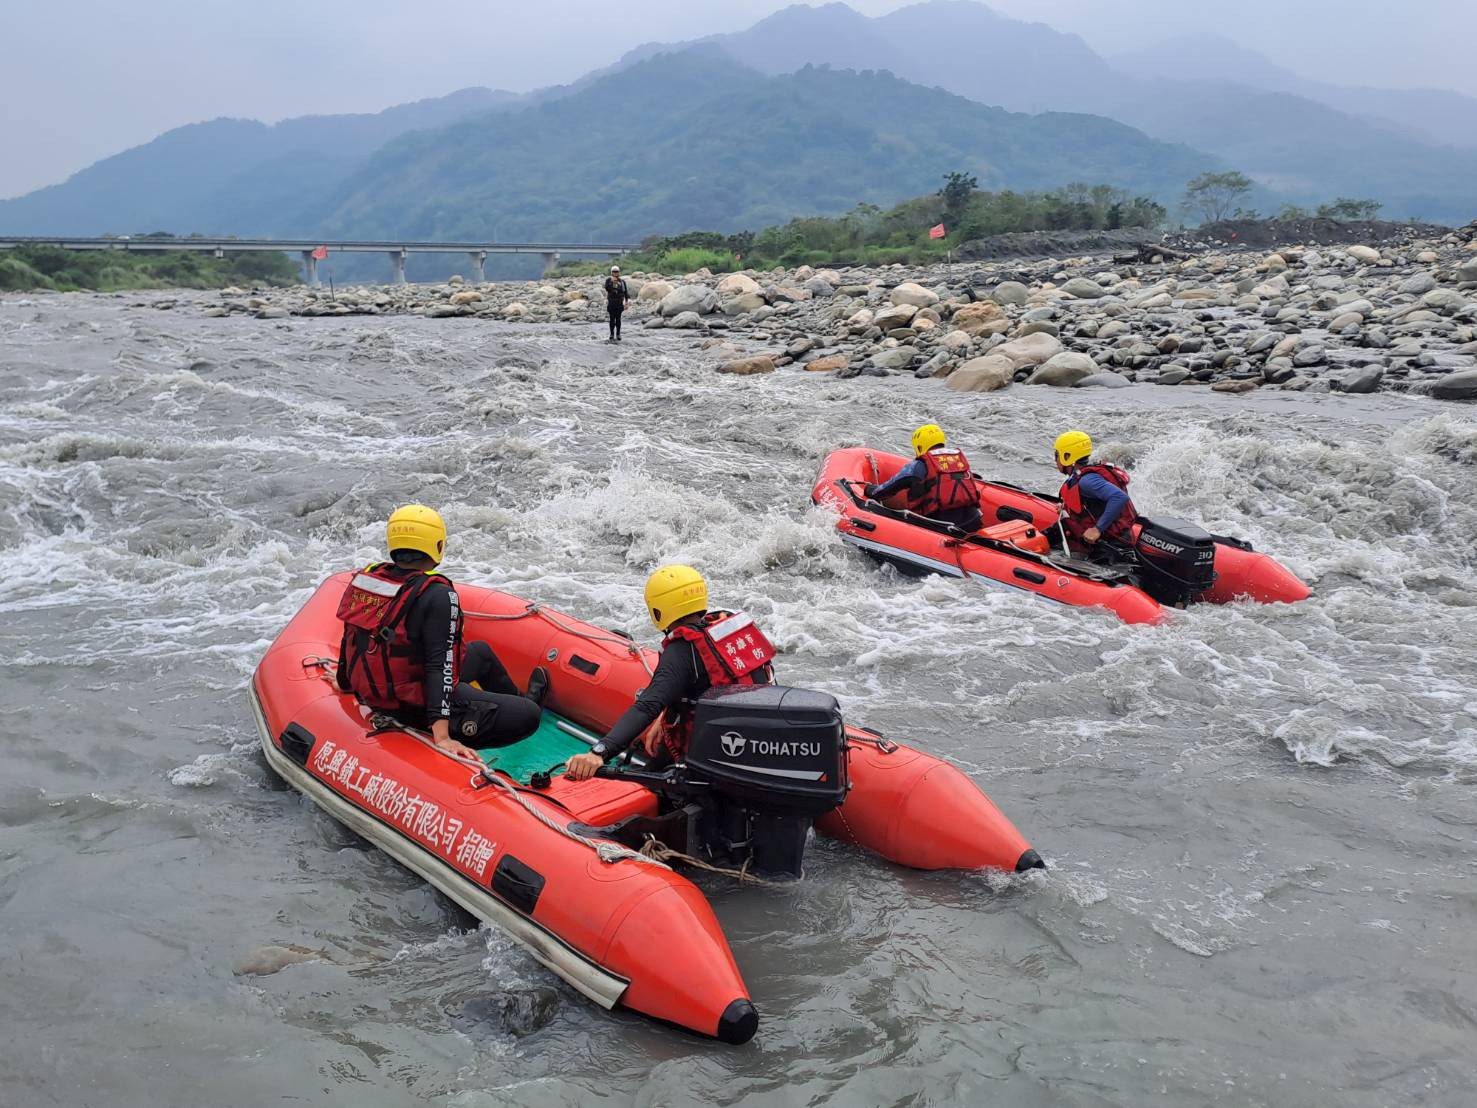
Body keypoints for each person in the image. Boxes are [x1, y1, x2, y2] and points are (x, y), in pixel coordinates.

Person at [335, 504, 544, 762]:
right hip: (410, 704)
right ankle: (476, 719)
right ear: (436, 545)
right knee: (528, 714)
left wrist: (344, 682)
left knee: (481, 653)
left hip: (382, 687)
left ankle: (508, 699)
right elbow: (440, 665)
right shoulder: (438, 595)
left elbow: (350, 636)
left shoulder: (367, 579)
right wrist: (442, 736)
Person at [563, 565, 775, 780]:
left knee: (651, 781)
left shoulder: (681, 651)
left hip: (710, 755)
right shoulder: (728, 625)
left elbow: (647, 705)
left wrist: (600, 751)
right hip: (755, 740)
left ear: (658, 611)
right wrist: (667, 714)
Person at [863, 423, 983, 531]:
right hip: (973, 521)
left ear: (920, 446)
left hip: (943, 526)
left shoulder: (919, 465)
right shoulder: (957, 460)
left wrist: (869, 489)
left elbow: (888, 488)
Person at [1053, 430, 1138, 556]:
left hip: (1114, 545)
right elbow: (1092, 504)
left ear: (1067, 456)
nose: (1056, 460)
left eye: (1057, 455)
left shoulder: (1086, 481)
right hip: (1111, 539)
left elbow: (1119, 497)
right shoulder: (1082, 475)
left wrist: (1097, 529)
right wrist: (1067, 508)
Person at [603, 264, 630, 342]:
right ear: (611, 272)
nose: (615, 273)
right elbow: (607, 288)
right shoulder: (608, 280)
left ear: (619, 272)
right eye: (614, 272)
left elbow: (626, 293)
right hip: (611, 302)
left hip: (619, 302)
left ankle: (618, 334)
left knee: (618, 319)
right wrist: (611, 282)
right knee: (612, 319)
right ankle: (611, 334)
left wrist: (626, 302)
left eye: (617, 272)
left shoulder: (622, 282)